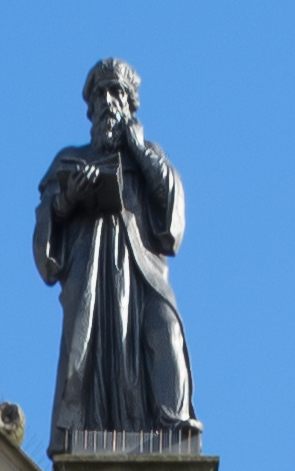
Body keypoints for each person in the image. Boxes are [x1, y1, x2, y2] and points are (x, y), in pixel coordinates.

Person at [32, 62, 199, 444]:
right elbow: (45, 233)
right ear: (90, 109)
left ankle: (173, 425)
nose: (109, 102)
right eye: (101, 96)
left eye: (117, 94)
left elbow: (172, 217)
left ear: (130, 104)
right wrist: (68, 199)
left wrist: (138, 150)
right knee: (89, 354)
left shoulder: (148, 155)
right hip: (91, 275)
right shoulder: (69, 160)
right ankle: (88, 433)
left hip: (143, 274)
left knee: (165, 329)